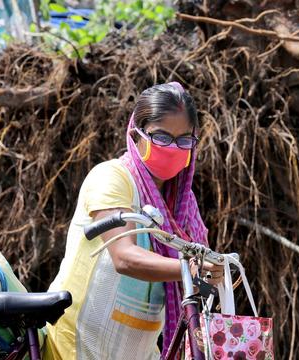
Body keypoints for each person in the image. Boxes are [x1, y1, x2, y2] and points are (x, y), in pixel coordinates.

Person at [44, 82, 223, 359]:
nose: (173, 148)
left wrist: (215, 273)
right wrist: (190, 267)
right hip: (80, 343)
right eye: (161, 137)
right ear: (135, 134)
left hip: (137, 350)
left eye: (184, 140)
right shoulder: (112, 178)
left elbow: (199, 275)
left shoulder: (184, 208)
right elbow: (124, 257)